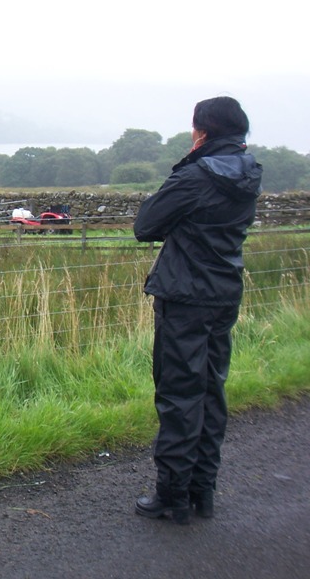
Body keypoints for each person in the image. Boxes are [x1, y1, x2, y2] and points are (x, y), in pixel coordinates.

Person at [133, 96, 263, 524]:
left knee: (178, 394)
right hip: (224, 290)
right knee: (211, 389)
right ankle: (202, 491)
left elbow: (146, 225)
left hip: (185, 294)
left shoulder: (195, 175)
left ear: (202, 131)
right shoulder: (249, 173)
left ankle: (171, 495)